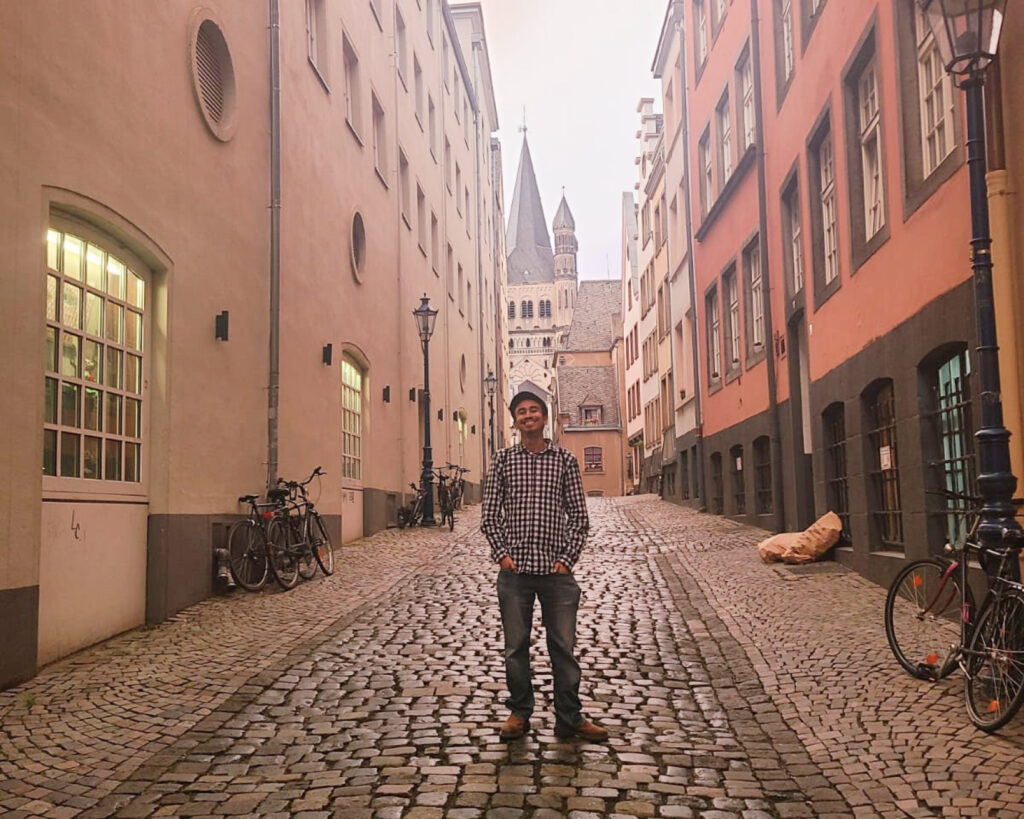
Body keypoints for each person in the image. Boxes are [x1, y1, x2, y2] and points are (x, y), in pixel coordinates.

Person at [481, 389, 608, 742]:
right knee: (515, 648)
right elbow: (490, 517)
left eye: (534, 409)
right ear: (516, 420)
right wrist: (503, 557)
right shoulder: (503, 461)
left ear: (544, 416)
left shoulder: (564, 461)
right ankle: (519, 713)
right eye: (521, 411)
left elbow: (579, 519)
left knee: (562, 648)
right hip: (515, 573)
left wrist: (566, 562)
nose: (528, 415)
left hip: (556, 574)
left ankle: (569, 715)